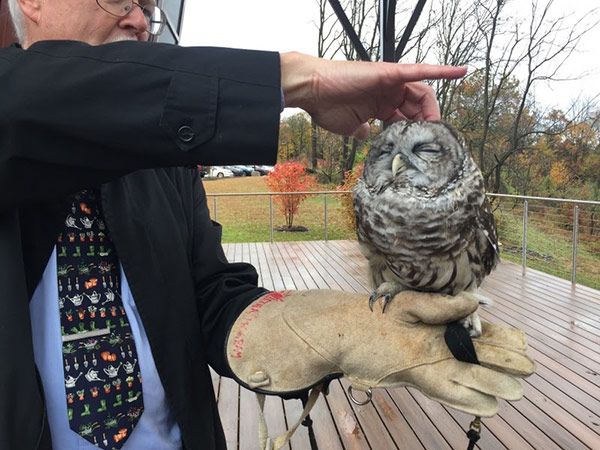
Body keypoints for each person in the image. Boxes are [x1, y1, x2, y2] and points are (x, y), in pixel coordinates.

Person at [0, 0, 534, 449]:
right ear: (32, 2)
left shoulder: (163, 164)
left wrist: (325, 333)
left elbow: (207, 293)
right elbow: (32, 100)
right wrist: (300, 79)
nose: (140, 18)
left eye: (148, 5)